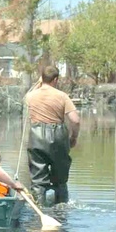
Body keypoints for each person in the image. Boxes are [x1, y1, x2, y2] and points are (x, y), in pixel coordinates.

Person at [25, 66, 80, 206]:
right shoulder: (62, 96)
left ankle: (38, 209)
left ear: (41, 78)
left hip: (37, 136)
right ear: (56, 79)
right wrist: (73, 137)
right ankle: (62, 209)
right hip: (58, 135)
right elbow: (75, 120)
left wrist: (40, 83)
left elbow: (29, 93)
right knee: (60, 179)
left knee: (38, 180)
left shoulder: (31, 96)